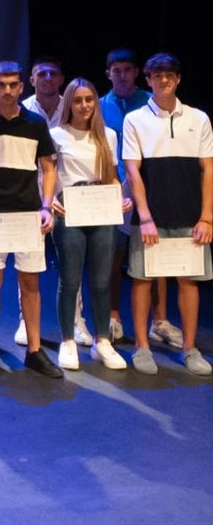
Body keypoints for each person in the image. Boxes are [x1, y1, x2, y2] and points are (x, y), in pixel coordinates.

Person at [0, 60, 62, 379]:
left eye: (13, 85)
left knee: (30, 284)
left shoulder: (35, 124)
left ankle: (34, 351)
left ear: (22, 87)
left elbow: (48, 168)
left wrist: (47, 206)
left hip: (29, 216)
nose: (8, 91)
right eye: (2, 85)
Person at [122, 52, 213, 376]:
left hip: (190, 216)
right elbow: (132, 172)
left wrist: (206, 217)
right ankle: (142, 347)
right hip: (151, 218)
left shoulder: (199, 118)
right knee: (143, 280)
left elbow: (208, 170)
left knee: (189, 282)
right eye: (157, 75)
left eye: (170, 75)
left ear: (177, 79)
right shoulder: (134, 119)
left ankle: (190, 349)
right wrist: (145, 216)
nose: (164, 80)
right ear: (147, 80)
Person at [48, 79, 129, 370]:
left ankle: (102, 342)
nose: (84, 105)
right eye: (78, 100)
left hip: (101, 208)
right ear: (69, 103)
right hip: (70, 209)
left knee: (101, 279)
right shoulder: (56, 134)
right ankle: (68, 341)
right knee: (69, 280)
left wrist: (120, 198)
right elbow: (46, 174)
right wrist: (48, 201)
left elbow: (111, 175)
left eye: (89, 99)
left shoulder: (107, 135)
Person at [16, 55, 91, 346]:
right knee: (27, 262)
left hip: (68, 198)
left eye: (53, 73)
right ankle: (25, 320)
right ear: (32, 80)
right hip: (28, 197)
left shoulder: (73, 106)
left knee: (71, 263)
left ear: (61, 79)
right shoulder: (21, 111)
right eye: (41, 74)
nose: (47, 78)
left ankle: (76, 319)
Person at [98, 48, 165, 345]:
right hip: (114, 190)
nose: (122, 74)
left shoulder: (150, 104)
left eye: (127, 69)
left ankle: (159, 321)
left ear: (137, 72)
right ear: (108, 73)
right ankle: (113, 316)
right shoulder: (99, 106)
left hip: (149, 188)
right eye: (116, 70)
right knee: (113, 255)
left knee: (154, 256)